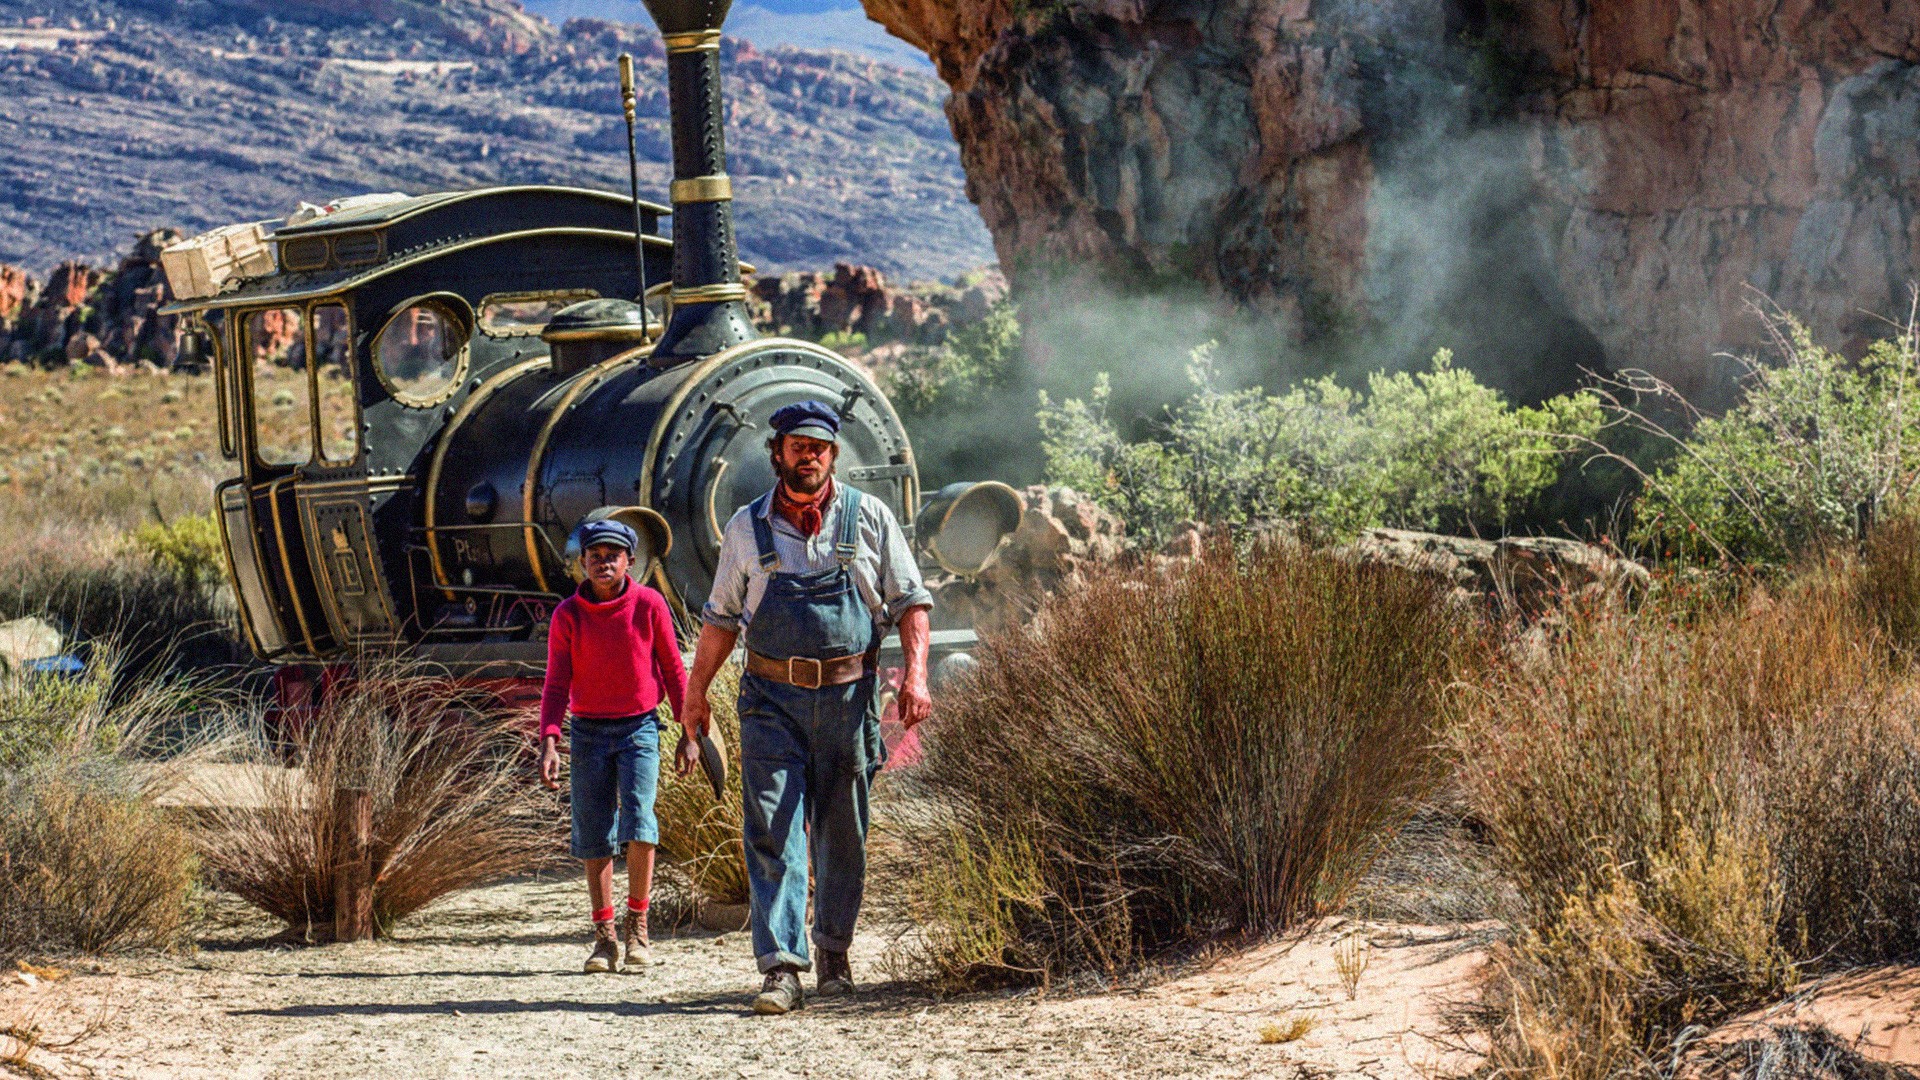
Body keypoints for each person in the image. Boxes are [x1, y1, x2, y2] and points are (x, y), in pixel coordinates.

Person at [679, 399, 933, 1015]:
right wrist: (695, 695)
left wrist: (917, 677)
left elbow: (911, 603)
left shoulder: (870, 517)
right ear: (778, 453)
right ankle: (782, 969)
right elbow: (719, 619)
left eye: (819, 447)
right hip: (770, 702)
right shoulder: (745, 527)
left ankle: (835, 956)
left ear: (833, 455)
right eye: (798, 446)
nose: (809, 456)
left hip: (850, 700)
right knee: (772, 829)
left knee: (843, 836)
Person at [538, 518, 689, 974]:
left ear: (630, 561)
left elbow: (673, 670)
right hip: (587, 732)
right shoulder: (568, 615)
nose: (604, 563)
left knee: (641, 821)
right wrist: (549, 741)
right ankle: (604, 938)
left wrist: (690, 733)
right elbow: (556, 682)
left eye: (613, 556)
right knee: (593, 831)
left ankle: (637, 930)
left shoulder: (649, 605)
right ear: (582, 562)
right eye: (595, 556)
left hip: (640, 729)